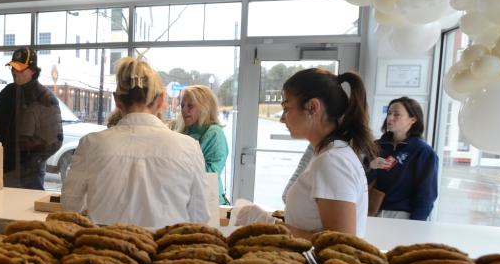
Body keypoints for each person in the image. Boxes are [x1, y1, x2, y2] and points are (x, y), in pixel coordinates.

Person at [62, 56, 210, 227]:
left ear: (117, 100)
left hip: (105, 249)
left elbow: (70, 206)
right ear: (161, 100)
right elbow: (200, 215)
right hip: (164, 250)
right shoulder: (189, 148)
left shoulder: (91, 144)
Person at [235, 68, 375, 238]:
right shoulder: (326, 154)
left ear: (312, 107)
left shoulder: (332, 160)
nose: (282, 118)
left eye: (287, 108)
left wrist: (270, 226)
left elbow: (341, 244)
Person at [0, 47, 63, 190]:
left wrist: (31, 163)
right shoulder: (6, 93)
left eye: (20, 69)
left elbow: (55, 140)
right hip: (1, 171)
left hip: (30, 177)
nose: (15, 72)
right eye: (13, 68)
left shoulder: (45, 98)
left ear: (33, 70)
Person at [367, 97, 438, 220]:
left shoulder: (423, 151)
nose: (390, 118)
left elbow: (426, 195)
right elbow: (359, 181)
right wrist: (371, 167)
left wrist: (416, 224)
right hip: (371, 211)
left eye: (397, 114)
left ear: (413, 119)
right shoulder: (375, 146)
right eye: (389, 113)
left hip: (403, 215)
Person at [179, 85, 230, 205]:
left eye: (190, 106)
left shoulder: (214, 133)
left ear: (205, 107)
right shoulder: (185, 130)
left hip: (208, 201)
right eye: (182, 106)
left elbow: (210, 173)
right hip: (186, 198)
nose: (184, 110)